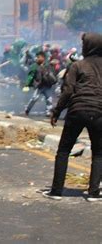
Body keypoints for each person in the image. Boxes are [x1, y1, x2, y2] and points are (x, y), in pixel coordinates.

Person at [44, 33, 102, 202]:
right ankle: (93, 193)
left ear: (88, 47)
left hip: (77, 110)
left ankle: (56, 191)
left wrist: (56, 111)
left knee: (63, 151)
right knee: (98, 153)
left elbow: (68, 91)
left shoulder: (77, 65)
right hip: (99, 112)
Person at [24, 51, 56, 117]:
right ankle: (27, 109)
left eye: (38, 57)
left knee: (49, 99)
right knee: (34, 98)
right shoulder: (35, 66)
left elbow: (52, 73)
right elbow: (31, 75)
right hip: (39, 85)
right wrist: (27, 83)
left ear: (43, 58)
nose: (37, 58)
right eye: (36, 57)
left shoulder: (48, 65)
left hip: (47, 85)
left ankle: (48, 112)